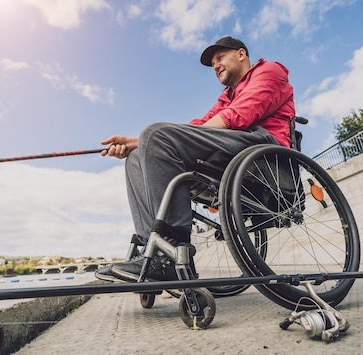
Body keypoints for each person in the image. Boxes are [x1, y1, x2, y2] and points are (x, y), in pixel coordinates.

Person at [95, 36, 295, 282]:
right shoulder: (225, 97)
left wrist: (158, 138)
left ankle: (173, 252)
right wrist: (136, 142)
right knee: (137, 156)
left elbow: (240, 115)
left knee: (157, 134)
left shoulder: (269, 70)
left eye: (220, 58)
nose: (216, 66)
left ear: (241, 54)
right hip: (230, 149)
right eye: (213, 64)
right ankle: (153, 251)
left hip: (261, 147)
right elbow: (198, 125)